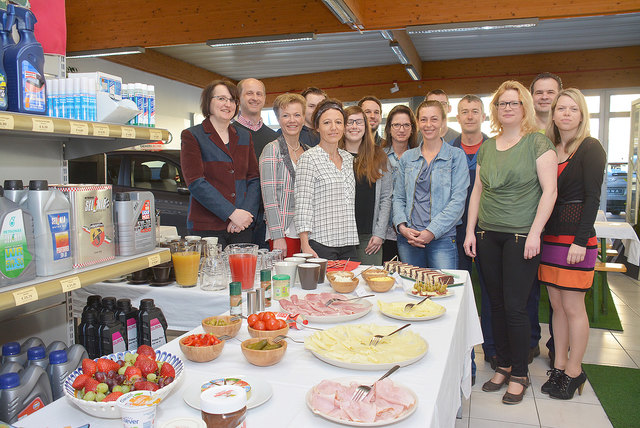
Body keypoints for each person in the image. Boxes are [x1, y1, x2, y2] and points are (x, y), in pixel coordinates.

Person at [464, 80, 557, 405]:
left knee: (517, 307)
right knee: (496, 304)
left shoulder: (537, 143)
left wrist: (535, 233)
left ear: (524, 108)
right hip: (488, 236)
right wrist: (470, 232)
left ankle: (520, 372)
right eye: (502, 103)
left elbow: (550, 191)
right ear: (496, 110)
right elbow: (477, 190)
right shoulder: (488, 147)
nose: (507, 108)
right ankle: (502, 365)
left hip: (521, 237)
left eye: (513, 103)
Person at [538, 88, 606, 400]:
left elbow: (593, 197)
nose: (566, 114)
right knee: (556, 306)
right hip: (550, 239)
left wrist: (580, 240)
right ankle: (560, 365)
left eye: (572, 109)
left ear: (581, 115)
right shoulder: (550, 148)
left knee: (573, 306)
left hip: (576, 241)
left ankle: (575, 371)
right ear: (553, 114)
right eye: (560, 108)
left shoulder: (590, 147)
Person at [181, 80, 260, 248]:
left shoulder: (245, 136)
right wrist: (231, 213)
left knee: (243, 274)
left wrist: (244, 215)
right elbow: (196, 182)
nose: (228, 104)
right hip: (207, 227)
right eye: (221, 98)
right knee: (211, 273)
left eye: (232, 100)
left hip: (242, 226)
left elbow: (254, 178)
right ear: (208, 101)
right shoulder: (192, 135)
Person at [393, 100, 468, 269]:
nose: (428, 125)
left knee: (444, 291)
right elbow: (398, 197)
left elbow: (458, 201)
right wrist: (402, 227)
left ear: (443, 122)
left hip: (442, 238)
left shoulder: (456, 156)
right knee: (411, 290)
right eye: (423, 119)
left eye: (434, 119)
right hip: (409, 239)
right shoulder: (407, 158)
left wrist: (431, 232)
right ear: (418, 123)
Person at [451, 95, 493, 379]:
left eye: (474, 111)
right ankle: (461, 356)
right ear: (457, 117)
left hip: (489, 230)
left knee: (491, 292)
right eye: (464, 112)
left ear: (483, 116)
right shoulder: (448, 150)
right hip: (454, 232)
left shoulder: (495, 148)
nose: (469, 116)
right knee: (460, 295)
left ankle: (491, 348)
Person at [294, 99, 358, 260]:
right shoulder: (308, 158)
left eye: (338, 122)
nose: (333, 128)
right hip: (320, 243)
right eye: (327, 122)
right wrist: (305, 243)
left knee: (351, 285)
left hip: (349, 242)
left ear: (344, 126)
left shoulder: (348, 158)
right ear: (317, 126)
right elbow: (303, 203)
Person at [530, 72, 564, 366]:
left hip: (557, 226)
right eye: (539, 92)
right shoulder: (526, 131)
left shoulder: (563, 132)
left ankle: (557, 345)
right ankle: (529, 343)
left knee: (557, 293)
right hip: (527, 223)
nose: (544, 97)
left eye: (549, 92)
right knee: (528, 288)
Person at [340, 105, 393, 265]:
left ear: (366, 126)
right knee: (340, 284)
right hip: (340, 236)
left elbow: (386, 198)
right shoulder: (334, 155)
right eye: (349, 122)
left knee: (370, 283)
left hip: (369, 237)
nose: (354, 127)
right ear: (342, 126)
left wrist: (379, 234)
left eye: (359, 122)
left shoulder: (379, 156)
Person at [259, 93, 309, 258]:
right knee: (287, 281)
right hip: (285, 231)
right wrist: (278, 236)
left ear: (303, 117)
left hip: (308, 232)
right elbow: (269, 197)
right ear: (278, 119)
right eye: (286, 115)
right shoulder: (272, 149)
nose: (292, 120)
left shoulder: (309, 151)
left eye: (297, 115)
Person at [233, 78, 278, 249]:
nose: (255, 98)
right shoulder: (228, 134)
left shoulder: (274, 138)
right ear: (239, 98)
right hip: (238, 218)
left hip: (267, 219)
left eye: (259, 94)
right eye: (249, 93)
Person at [382, 105, 418, 262]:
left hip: (411, 230)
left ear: (412, 128)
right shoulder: (378, 157)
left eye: (406, 125)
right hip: (384, 231)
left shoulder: (420, 156)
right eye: (396, 125)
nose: (401, 129)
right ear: (389, 128)